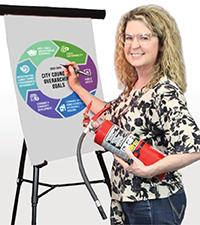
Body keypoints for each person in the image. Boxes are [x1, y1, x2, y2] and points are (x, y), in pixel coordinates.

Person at [64, 4, 200, 225]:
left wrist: (149, 170)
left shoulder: (164, 90)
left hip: (154, 201)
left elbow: (194, 148)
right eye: (129, 38)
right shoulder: (135, 87)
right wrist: (77, 87)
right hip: (128, 197)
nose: (134, 45)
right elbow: (110, 113)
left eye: (144, 37)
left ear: (162, 44)